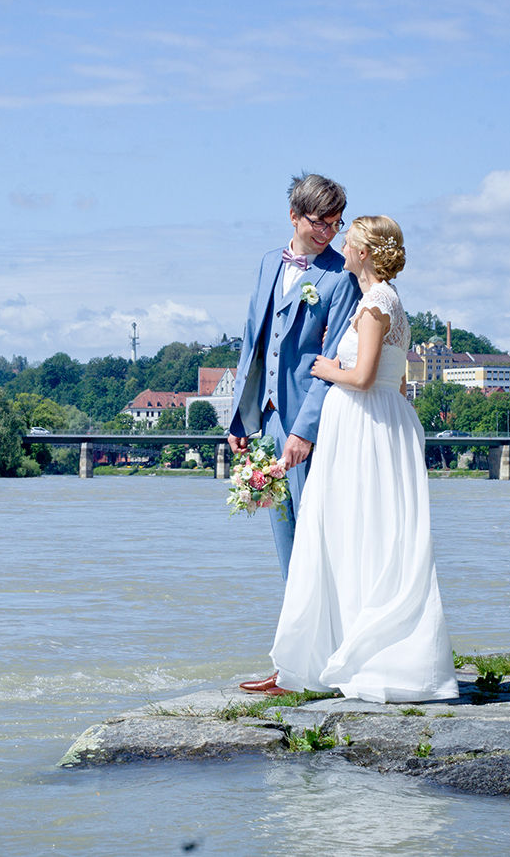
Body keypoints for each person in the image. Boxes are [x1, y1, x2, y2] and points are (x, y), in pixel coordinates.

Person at [269, 216, 458, 703]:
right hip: (374, 424)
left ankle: (353, 653)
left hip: (363, 422)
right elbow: (395, 384)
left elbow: (366, 376)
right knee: (369, 533)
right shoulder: (389, 301)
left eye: (350, 243)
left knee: (354, 531)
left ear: (366, 254)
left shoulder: (375, 304)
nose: (342, 248)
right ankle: (357, 649)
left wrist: (329, 368)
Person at [227, 173, 361, 696]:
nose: (329, 231)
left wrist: (305, 430)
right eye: (319, 222)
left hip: (313, 425)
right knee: (285, 543)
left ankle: (323, 665)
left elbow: (333, 361)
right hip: (267, 422)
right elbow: (251, 343)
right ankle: (292, 665)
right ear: (293, 217)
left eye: (335, 222)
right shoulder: (266, 264)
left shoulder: (341, 276)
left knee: (316, 543)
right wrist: (242, 420)